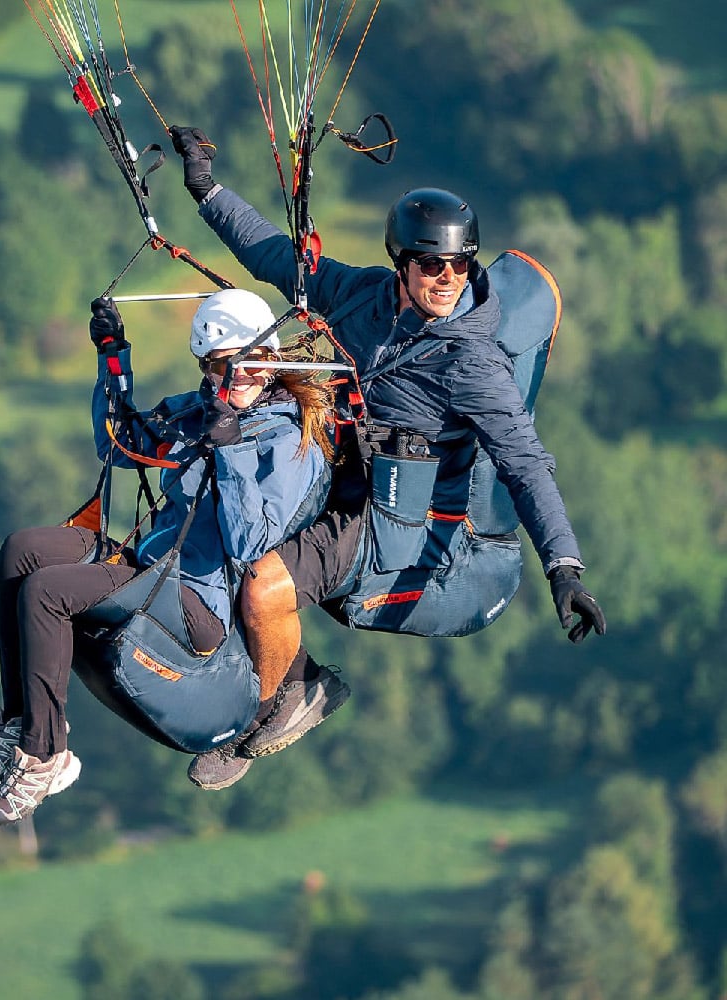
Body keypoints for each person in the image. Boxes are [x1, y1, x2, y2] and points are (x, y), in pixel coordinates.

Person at [168, 124, 607, 790]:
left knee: (264, 585)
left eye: (461, 265)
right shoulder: (362, 296)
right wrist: (206, 188)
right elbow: (274, 256)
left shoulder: (471, 363)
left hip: (393, 515)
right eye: (434, 265)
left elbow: (524, 462)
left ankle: (284, 704)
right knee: (213, 516)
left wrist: (565, 567)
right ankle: (267, 670)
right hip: (334, 471)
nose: (448, 279)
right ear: (402, 264)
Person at [0, 288, 342, 824]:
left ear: (262, 363)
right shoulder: (201, 411)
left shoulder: (289, 441)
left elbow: (249, 544)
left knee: (47, 594)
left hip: (200, 602)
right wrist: (113, 356)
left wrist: (231, 448)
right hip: (151, 567)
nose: (218, 382)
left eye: (227, 368)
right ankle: (18, 721)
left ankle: (44, 755)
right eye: (210, 369)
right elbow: (118, 444)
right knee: (23, 553)